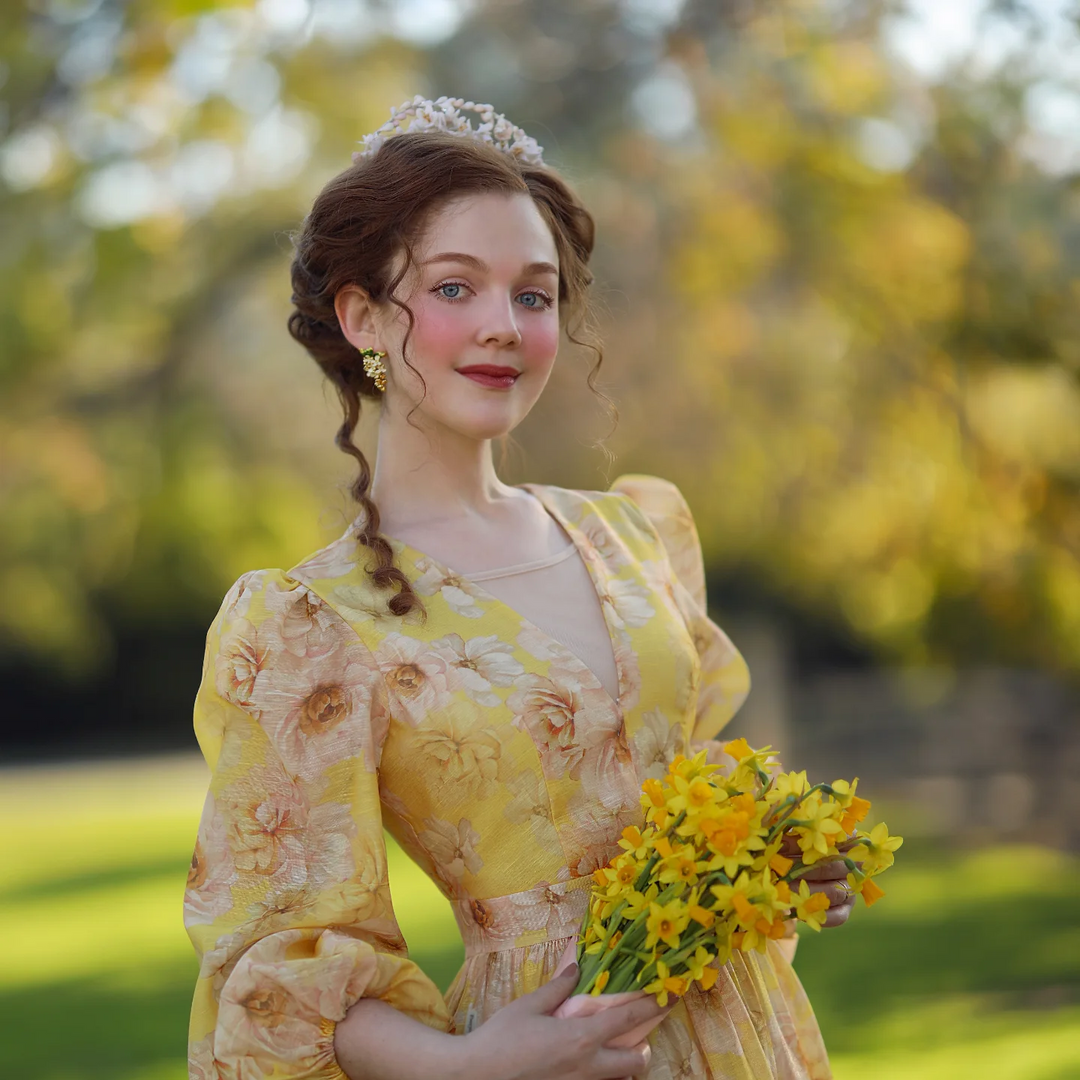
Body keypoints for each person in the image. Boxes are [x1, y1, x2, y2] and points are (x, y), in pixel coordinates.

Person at [184, 97, 855, 1080]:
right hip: (539, 1050)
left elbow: (689, 791)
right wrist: (467, 1065)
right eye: (456, 288)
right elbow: (277, 952)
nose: (504, 325)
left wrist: (764, 861)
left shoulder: (636, 534)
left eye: (534, 297)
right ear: (363, 314)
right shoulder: (310, 624)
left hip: (747, 1033)